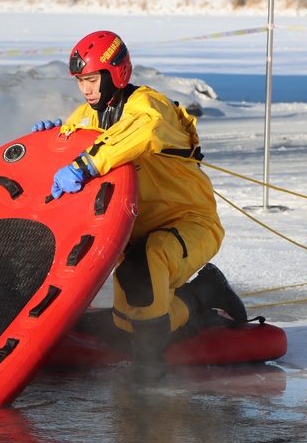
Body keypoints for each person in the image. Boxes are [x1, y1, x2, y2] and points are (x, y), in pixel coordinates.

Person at [32, 30, 247, 381]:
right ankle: (203, 293)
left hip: (190, 222)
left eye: (91, 79)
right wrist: (51, 141)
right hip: (137, 233)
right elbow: (72, 144)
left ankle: (150, 365)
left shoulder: (150, 107)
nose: (86, 90)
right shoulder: (87, 115)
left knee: (143, 269)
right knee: (128, 323)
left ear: (115, 73)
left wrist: (86, 164)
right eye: (80, 82)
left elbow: (138, 133)